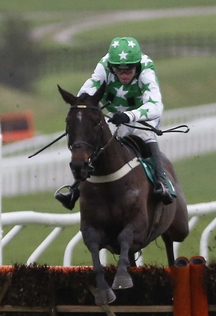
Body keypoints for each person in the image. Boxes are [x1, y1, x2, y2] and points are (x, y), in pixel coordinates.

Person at [54, 36, 172, 210]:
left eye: (128, 70)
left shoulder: (146, 69)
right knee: (96, 138)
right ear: (111, 67)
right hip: (114, 116)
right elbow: (87, 91)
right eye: (118, 70)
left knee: (146, 135)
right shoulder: (104, 66)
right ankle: (75, 189)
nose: (123, 75)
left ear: (137, 66)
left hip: (142, 116)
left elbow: (155, 106)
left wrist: (129, 116)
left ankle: (162, 182)